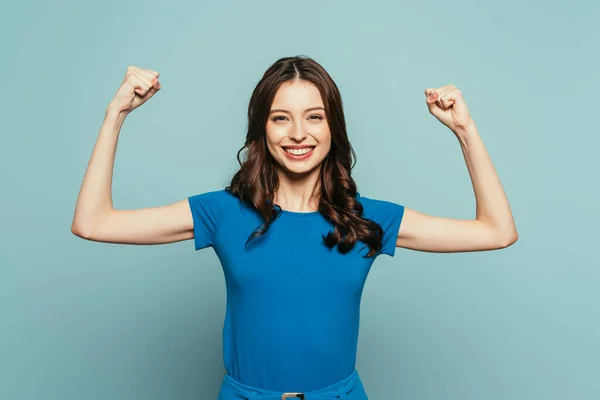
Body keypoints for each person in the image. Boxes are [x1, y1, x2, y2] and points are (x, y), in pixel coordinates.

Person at [71, 56, 518, 399]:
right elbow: (93, 222)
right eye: (281, 117)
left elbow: (497, 231)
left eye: (315, 116)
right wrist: (116, 114)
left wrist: (465, 131)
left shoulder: (368, 221)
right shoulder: (222, 213)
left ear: (332, 126)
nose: (298, 133)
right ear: (262, 128)